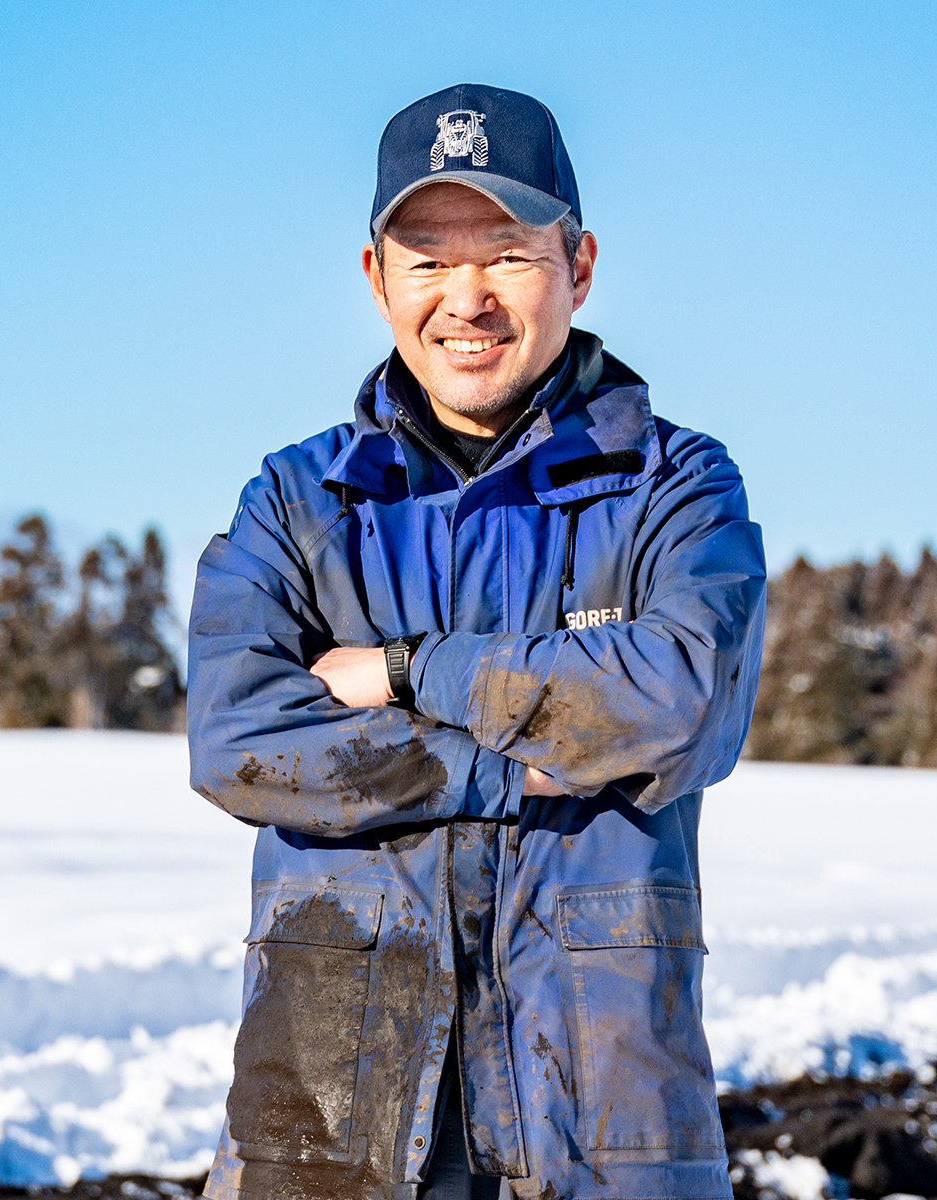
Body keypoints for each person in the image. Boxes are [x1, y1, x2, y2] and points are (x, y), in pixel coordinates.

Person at [187, 83, 765, 1200]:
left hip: (605, 1134)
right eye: (428, 260)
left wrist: (407, 675)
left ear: (579, 264)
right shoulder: (299, 503)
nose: (469, 300)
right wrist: (514, 760)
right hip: (326, 1132)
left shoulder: (676, 487)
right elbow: (237, 740)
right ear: (375, 279)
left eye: (506, 255)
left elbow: (682, 702)